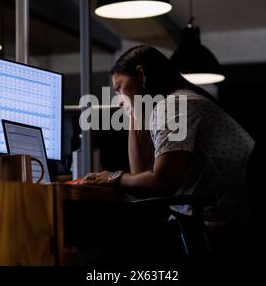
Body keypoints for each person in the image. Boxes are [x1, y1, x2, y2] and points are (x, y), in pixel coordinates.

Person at [79, 45, 255, 258]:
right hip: (232, 216)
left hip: (224, 222)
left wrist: (113, 178)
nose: (118, 98)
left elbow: (162, 182)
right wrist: (135, 113)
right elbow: (140, 177)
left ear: (141, 75)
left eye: (119, 87)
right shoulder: (173, 103)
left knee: (105, 250)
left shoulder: (175, 105)